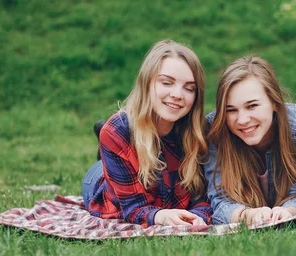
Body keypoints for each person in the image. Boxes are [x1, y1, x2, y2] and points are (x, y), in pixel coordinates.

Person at [82, 40, 212, 227]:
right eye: (167, 82)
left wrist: (199, 215)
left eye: (189, 88)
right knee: (104, 159)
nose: (177, 94)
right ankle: (106, 152)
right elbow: (133, 207)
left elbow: (203, 197)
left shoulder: (199, 133)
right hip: (103, 187)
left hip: (165, 194)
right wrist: (160, 216)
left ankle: (109, 153)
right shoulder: (116, 131)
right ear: (147, 83)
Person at [205, 56, 296, 225]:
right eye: (231, 110)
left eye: (252, 106)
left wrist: (287, 212)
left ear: (274, 101)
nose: (242, 119)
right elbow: (219, 200)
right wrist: (248, 215)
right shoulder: (215, 129)